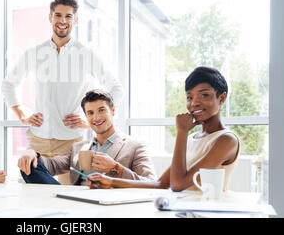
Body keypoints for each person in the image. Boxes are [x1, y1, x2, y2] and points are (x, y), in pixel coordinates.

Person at [2, 0, 124, 184]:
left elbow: (116, 88)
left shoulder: (86, 54)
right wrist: (21, 114)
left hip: (71, 144)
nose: (63, 21)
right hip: (37, 141)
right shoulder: (35, 52)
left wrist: (88, 120)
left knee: (69, 202)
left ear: (75, 20)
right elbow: (8, 84)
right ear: (50, 18)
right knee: (32, 200)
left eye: (68, 16)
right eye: (58, 15)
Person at [86, 66, 240, 192]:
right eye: (189, 97)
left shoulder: (226, 140)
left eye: (204, 95)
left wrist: (181, 132)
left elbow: (178, 185)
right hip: (181, 210)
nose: (194, 103)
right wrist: (110, 181)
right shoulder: (194, 138)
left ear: (222, 97)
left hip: (203, 212)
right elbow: (160, 184)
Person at [17, 89, 156, 185]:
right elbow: (52, 164)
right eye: (90, 113)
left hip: (110, 203)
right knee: (29, 166)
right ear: (86, 116)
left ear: (112, 111)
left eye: (101, 110)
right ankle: (60, 201)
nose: (96, 117)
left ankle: (59, 203)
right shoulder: (79, 147)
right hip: (78, 202)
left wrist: (115, 168)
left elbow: (151, 183)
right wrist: (32, 153)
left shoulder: (135, 146)